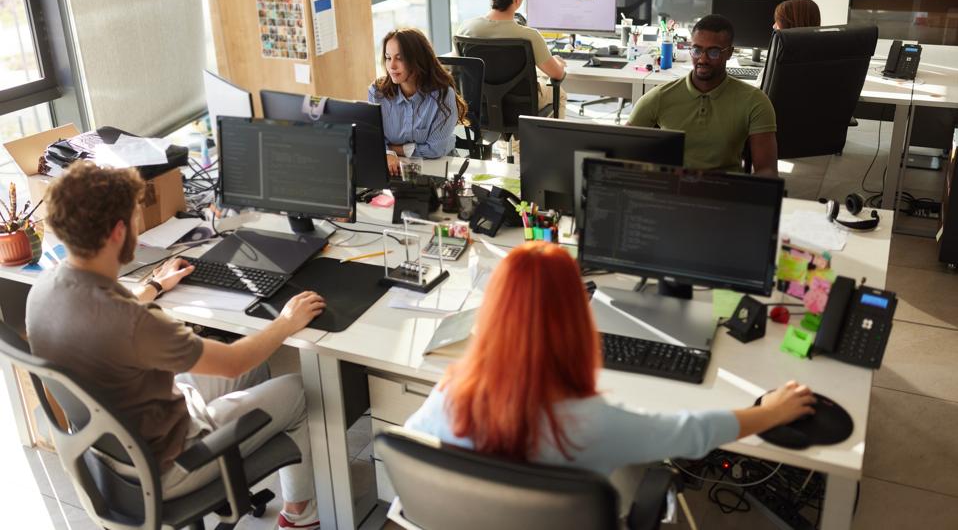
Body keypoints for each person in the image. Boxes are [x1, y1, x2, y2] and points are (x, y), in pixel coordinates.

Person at [25, 161, 326, 529]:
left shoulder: (45, 288)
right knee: (299, 389)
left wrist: (152, 287)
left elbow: (105, 319)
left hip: (106, 450)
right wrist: (286, 323)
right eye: (137, 217)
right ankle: (300, 517)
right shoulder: (134, 324)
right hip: (169, 467)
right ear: (119, 231)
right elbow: (232, 361)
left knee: (259, 369)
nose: (139, 225)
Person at [405, 243, 815, 497]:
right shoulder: (592, 425)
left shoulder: (450, 392)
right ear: (576, 318)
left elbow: (412, 452)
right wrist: (770, 413)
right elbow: (693, 433)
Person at [627, 14, 779, 177]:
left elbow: (766, 170)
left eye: (713, 52)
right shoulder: (660, 96)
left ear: (729, 53)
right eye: (697, 50)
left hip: (725, 190)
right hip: (672, 188)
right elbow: (622, 150)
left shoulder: (755, 101)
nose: (703, 59)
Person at [456, 0, 568, 119]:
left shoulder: (465, 29)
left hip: (480, 106)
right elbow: (557, 74)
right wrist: (559, 64)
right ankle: (546, 142)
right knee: (560, 94)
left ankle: (512, 143)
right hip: (520, 109)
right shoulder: (529, 36)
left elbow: (457, 70)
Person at [368, 28, 468, 176]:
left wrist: (391, 149)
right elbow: (372, 137)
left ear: (417, 59)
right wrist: (387, 153)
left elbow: (435, 150)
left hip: (440, 168)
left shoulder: (442, 95)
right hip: (395, 168)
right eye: (388, 58)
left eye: (399, 58)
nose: (392, 66)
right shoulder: (377, 92)